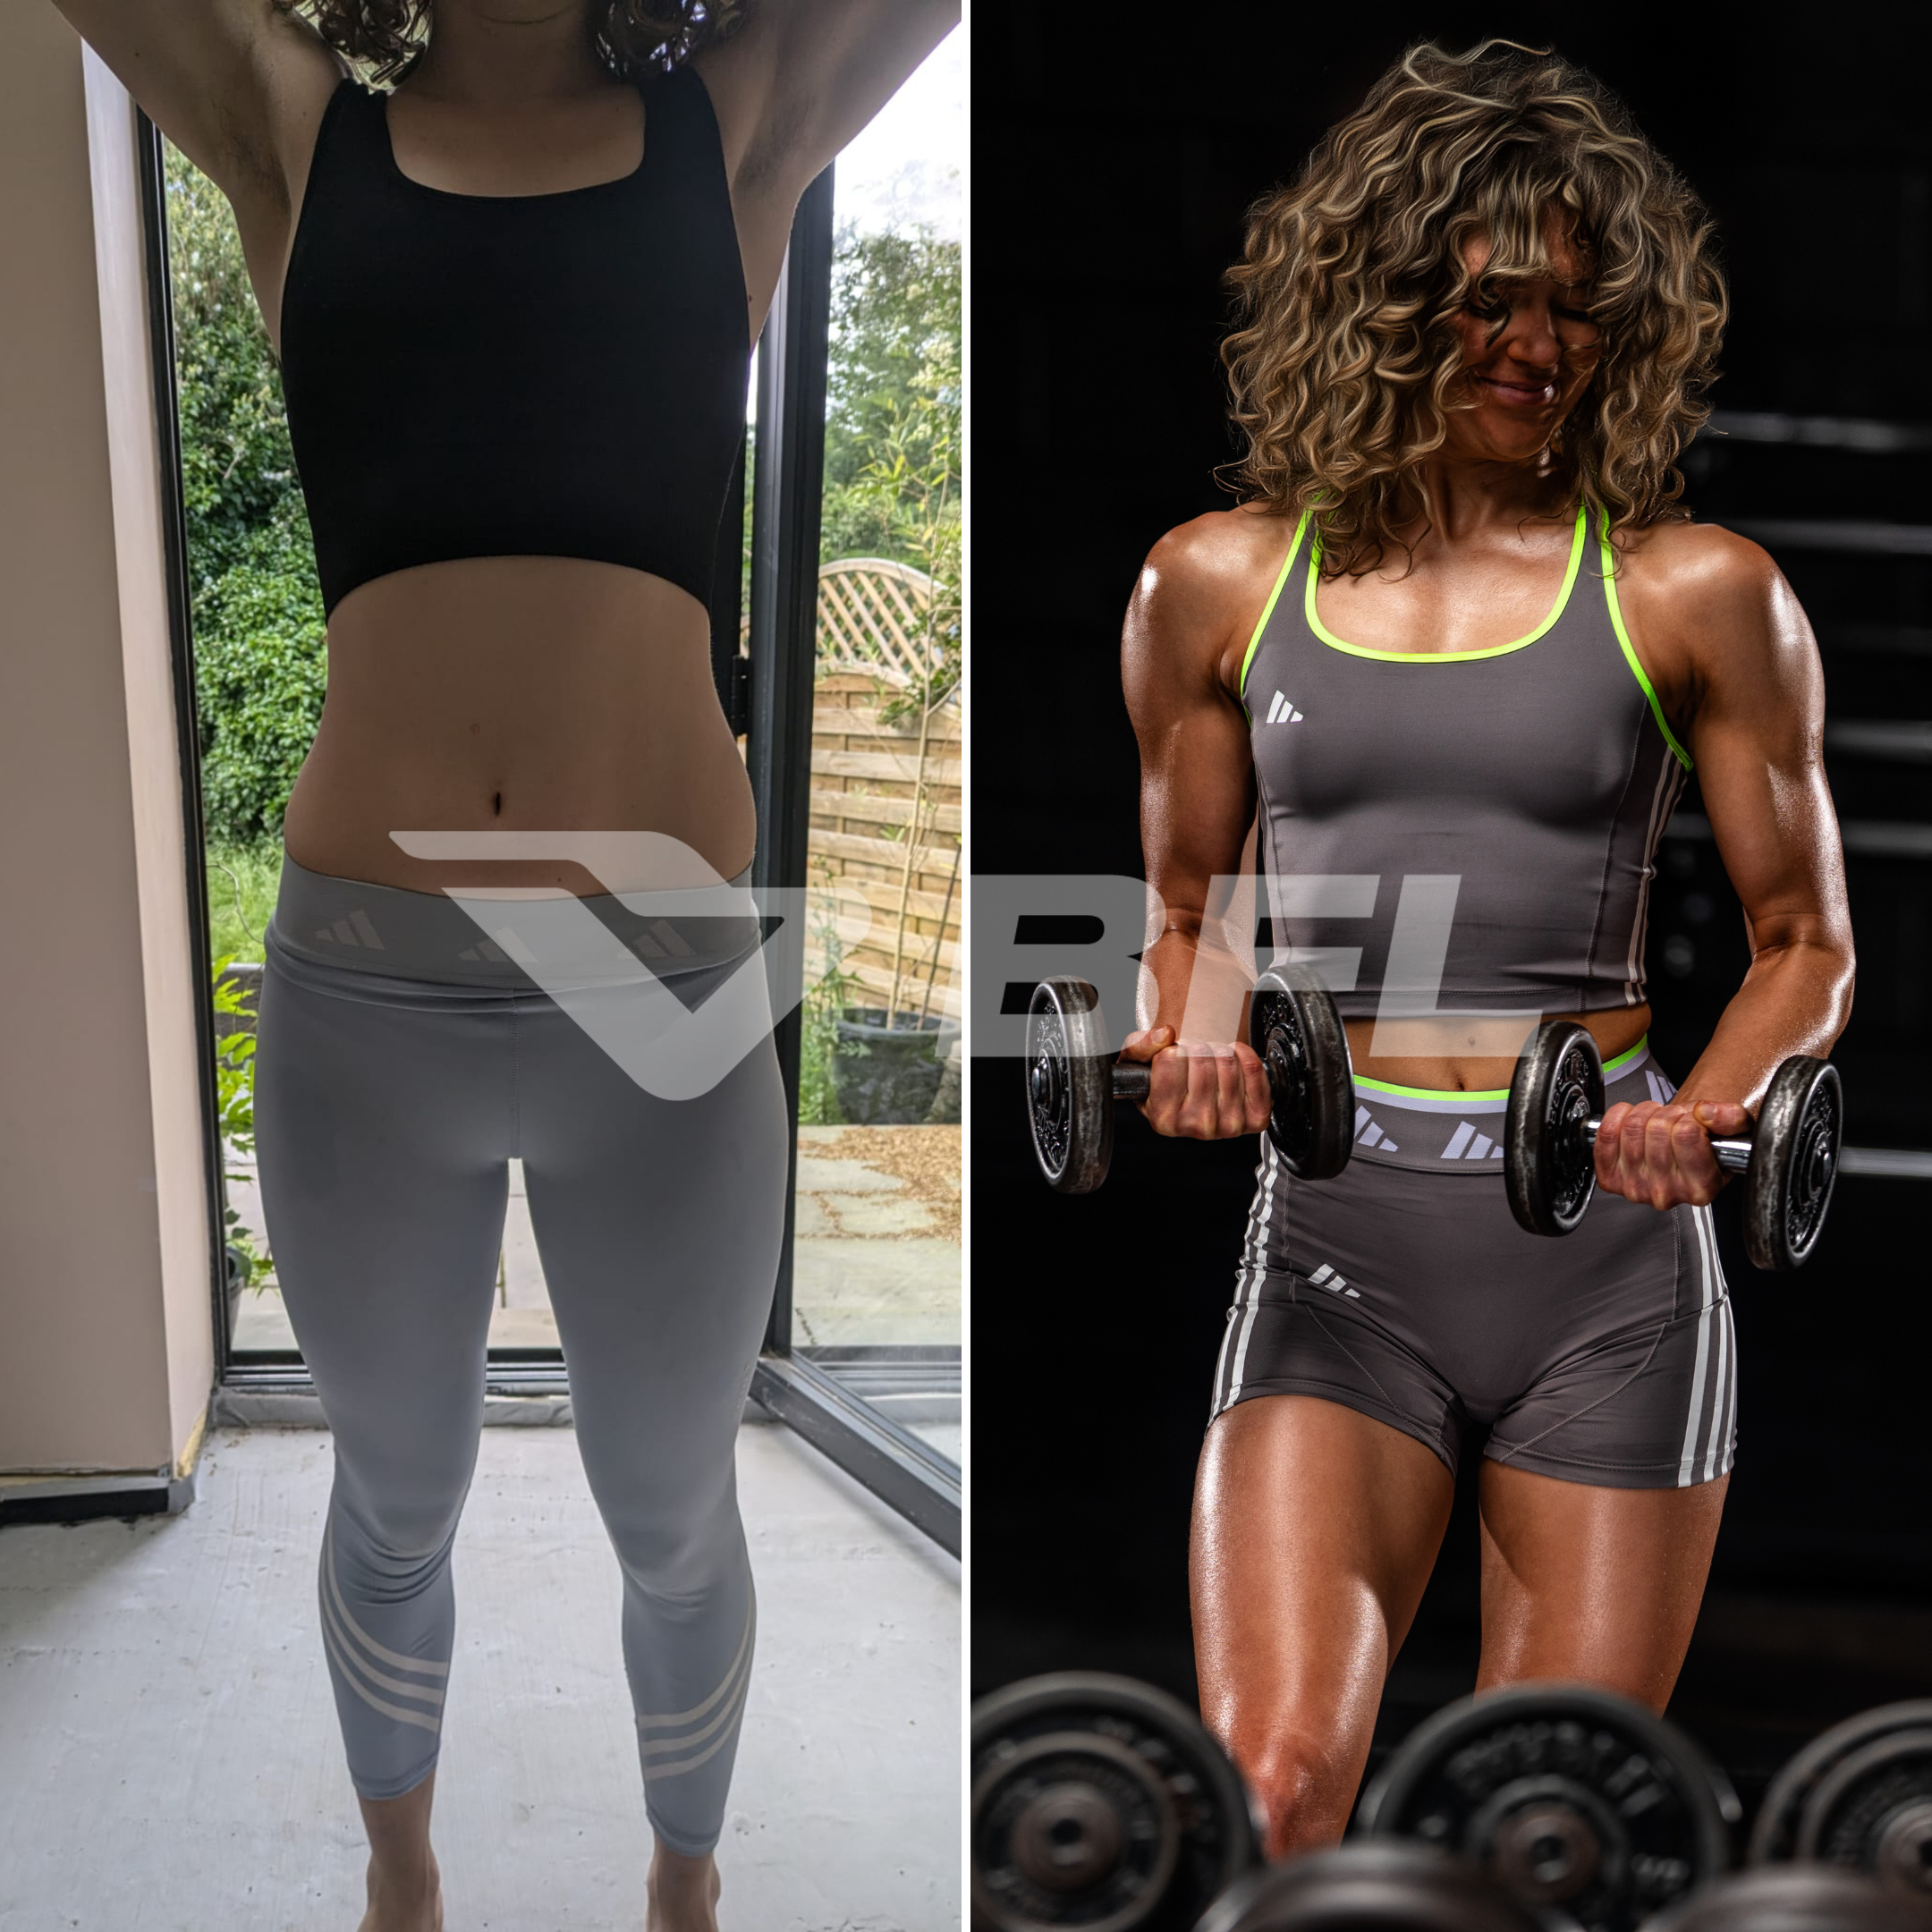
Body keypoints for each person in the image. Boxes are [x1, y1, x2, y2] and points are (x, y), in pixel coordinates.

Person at [47, 2, 957, 1928]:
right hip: (368, 997)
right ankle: (403, 1882)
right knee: (392, 1497)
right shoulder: (301, 129)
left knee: (671, 1504)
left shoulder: (739, 121)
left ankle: (683, 1890)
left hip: (666, 991)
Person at [1117, 38, 1853, 1862]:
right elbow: (1189, 920)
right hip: (1338, 1248)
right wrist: (1195, 1037)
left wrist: (1713, 1105)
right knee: (1276, 1795)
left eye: (1584, 312)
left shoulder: (1698, 591)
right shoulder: (1215, 585)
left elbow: (1806, 945)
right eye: (1495, 303)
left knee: (1541, 1840)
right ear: (1385, 302)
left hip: (1606, 1267)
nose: (1544, 347)